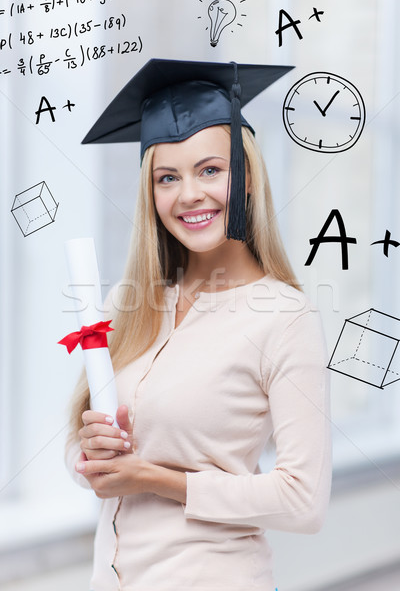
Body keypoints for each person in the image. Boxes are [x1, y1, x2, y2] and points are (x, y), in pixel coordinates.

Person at [65, 58, 332, 591]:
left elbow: (304, 501)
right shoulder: (131, 302)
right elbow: (83, 451)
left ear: (247, 176)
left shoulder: (282, 316)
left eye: (210, 170)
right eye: (168, 177)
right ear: (151, 192)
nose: (188, 194)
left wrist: (157, 480)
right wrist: (90, 453)